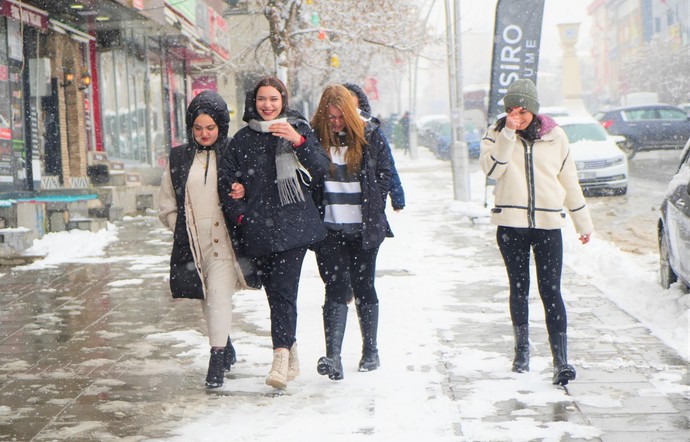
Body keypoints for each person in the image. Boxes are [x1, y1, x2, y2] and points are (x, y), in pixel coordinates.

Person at [479, 79, 593, 386]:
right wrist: (508, 134)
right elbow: (493, 171)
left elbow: (569, 180)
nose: (518, 114)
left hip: (547, 225)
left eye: (523, 109)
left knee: (551, 290)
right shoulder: (495, 134)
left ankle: (561, 361)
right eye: (512, 109)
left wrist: (583, 222)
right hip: (511, 225)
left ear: (533, 108)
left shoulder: (556, 137)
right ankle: (522, 351)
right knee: (519, 288)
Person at [218, 77, 329, 390]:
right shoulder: (241, 140)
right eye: (262, 99)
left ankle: (279, 358)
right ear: (254, 102)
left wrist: (298, 141)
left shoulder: (297, 129)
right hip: (258, 229)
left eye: (273, 99)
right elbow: (226, 184)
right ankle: (290, 348)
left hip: (292, 227)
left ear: (283, 100)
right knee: (276, 295)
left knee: (282, 290)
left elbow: (321, 171)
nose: (267, 105)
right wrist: (240, 211)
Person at [158, 90, 249, 389]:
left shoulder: (234, 153)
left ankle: (216, 360)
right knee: (207, 300)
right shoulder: (179, 158)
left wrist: (243, 193)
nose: (204, 133)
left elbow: (250, 190)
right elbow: (167, 205)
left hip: (224, 242)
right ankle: (226, 343)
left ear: (221, 125)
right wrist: (181, 230)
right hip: (194, 244)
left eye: (210, 127)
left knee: (220, 298)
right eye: (198, 128)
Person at [310, 84, 391, 381]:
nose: (335, 122)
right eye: (330, 117)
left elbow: (384, 174)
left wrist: (376, 205)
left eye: (340, 117)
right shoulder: (316, 140)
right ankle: (333, 357)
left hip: (363, 228)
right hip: (329, 228)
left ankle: (371, 350)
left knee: (364, 285)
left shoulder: (370, 137)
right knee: (335, 288)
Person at [343, 83, 405, 211]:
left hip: (369, 199)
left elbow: (388, 164)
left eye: (354, 108)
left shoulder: (372, 132)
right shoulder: (331, 132)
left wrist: (397, 196)